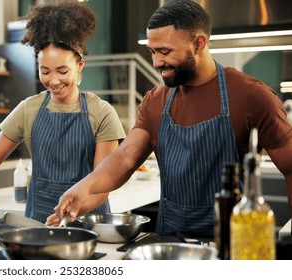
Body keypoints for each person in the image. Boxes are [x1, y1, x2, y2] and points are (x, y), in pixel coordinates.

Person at [55, 0, 292, 238]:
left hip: (231, 243)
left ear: (199, 43)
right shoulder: (155, 100)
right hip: (170, 241)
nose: (157, 62)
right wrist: (85, 186)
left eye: (165, 51)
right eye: (152, 52)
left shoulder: (252, 95)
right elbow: (125, 157)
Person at [0, 1, 126, 224]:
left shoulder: (102, 112)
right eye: (45, 71)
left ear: (80, 65)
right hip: (38, 223)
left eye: (62, 71)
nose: (53, 80)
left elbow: (102, 185)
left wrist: (70, 213)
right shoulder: (28, 108)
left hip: (89, 223)